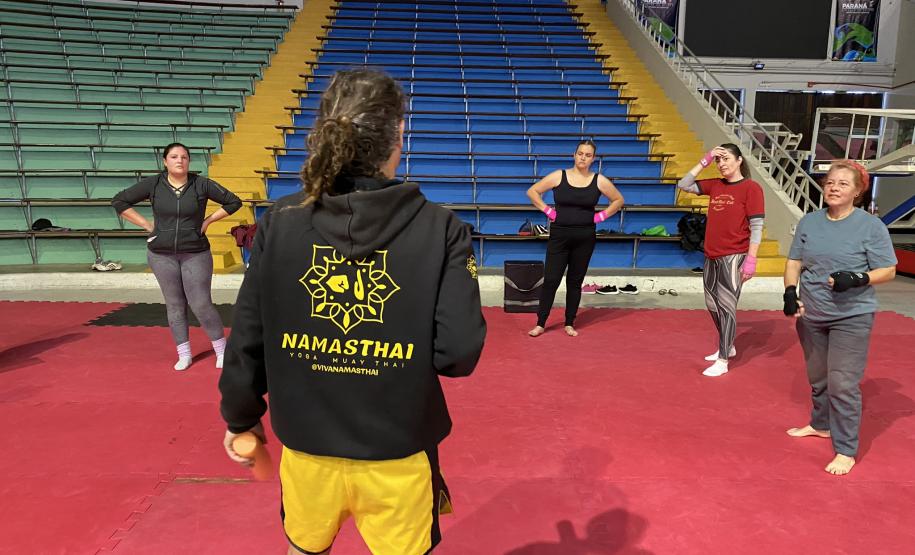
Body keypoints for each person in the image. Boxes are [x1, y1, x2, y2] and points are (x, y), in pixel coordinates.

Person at [218, 70, 486, 555]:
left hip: (307, 448)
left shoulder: (281, 219)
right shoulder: (441, 228)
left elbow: (247, 334)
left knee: (304, 549)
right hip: (397, 451)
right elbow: (458, 353)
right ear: (397, 135)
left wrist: (241, 418)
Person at [783, 160, 896, 476]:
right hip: (812, 312)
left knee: (842, 383)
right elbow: (794, 262)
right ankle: (821, 424)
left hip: (852, 315)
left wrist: (859, 278)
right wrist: (790, 292)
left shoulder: (871, 226)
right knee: (818, 376)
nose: (833, 187)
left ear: (857, 191)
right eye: (830, 182)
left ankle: (846, 449)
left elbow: (888, 270)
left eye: (843, 183)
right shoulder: (809, 222)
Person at [112, 143, 241, 371]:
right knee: (174, 304)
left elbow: (234, 202)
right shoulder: (153, 184)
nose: (179, 160)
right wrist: (147, 225)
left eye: (184, 157)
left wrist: (208, 221)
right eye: (174, 157)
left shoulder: (201, 184)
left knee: (201, 303)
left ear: (189, 161)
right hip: (161, 255)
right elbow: (119, 201)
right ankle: (184, 354)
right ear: (165, 161)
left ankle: (222, 351)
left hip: (195, 252)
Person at [677, 144, 764, 377]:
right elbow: (683, 184)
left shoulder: (751, 188)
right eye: (719, 160)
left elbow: (757, 226)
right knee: (711, 303)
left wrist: (751, 259)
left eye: (726, 159)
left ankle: (723, 359)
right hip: (711, 254)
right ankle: (729, 344)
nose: (722, 163)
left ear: (739, 160)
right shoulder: (716, 184)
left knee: (727, 307)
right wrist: (705, 160)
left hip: (734, 255)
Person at [526, 140, 624, 337]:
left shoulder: (599, 180)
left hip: (585, 237)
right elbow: (532, 191)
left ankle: (569, 323)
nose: (583, 158)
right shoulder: (558, 176)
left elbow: (618, 200)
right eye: (580, 153)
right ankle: (541, 323)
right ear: (574, 155)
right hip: (559, 236)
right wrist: (548, 211)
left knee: (574, 281)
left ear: (593, 159)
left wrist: (600, 217)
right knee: (551, 279)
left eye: (588, 155)